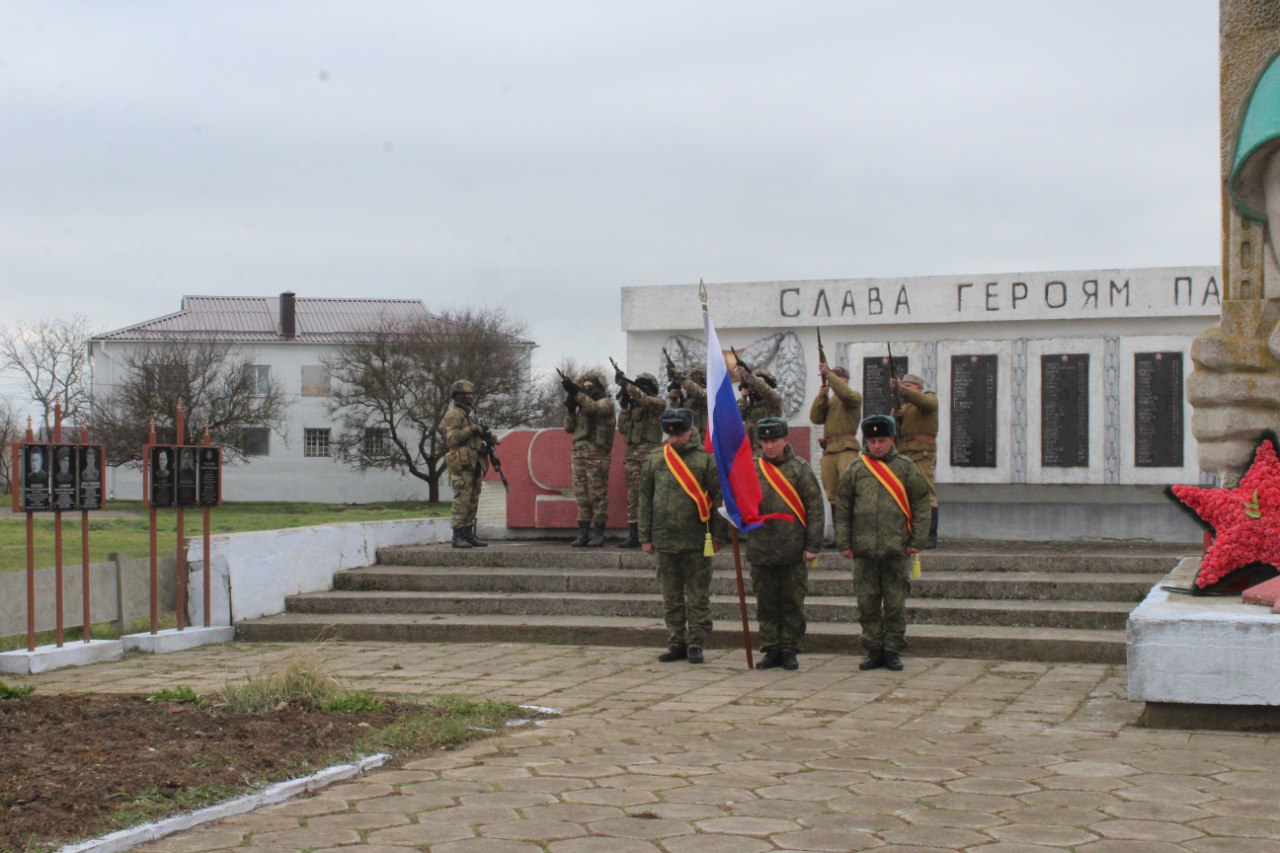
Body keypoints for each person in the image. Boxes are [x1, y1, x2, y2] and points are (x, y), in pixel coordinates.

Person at [835, 414, 930, 672]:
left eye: (882, 440)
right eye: (872, 441)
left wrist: (917, 539)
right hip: (864, 549)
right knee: (867, 604)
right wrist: (844, 542)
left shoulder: (906, 468)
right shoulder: (856, 469)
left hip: (896, 548)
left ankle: (892, 650)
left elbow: (921, 504)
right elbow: (843, 507)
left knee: (895, 604)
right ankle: (873, 649)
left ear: (891, 440)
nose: (877, 446)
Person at [638, 408, 727, 664]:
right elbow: (644, 498)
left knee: (698, 596)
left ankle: (696, 643)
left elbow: (719, 500)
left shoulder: (706, 460)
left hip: (697, 540)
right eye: (671, 435)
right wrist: (645, 536)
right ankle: (676, 640)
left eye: (679, 434)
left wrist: (718, 536)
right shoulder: (656, 459)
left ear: (690, 431)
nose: (674, 439)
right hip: (664, 539)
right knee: (671, 596)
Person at [746, 418, 824, 671]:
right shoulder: (752, 469)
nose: (769, 446)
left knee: (792, 602)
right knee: (766, 604)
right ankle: (771, 648)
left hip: (792, 548)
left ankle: (790, 648)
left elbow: (815, 508)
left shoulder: (799, 469)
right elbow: (741, 501)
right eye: (765, 441)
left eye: (774, 441)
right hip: (761, 548)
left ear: (784, 440)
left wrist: (812, 545)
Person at [809, 363, 863, 546]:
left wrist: (829, 375)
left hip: (846, 449)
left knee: (847, 491)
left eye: (836, 379)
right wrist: (821, 396)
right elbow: (815, 418)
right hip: (830, 449)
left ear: (844, 380)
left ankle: (850, 536)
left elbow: (846, 395)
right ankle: (839, 536)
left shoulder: (853, 396)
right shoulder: (830, 400)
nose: (832, 382)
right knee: (831, 493)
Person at [563, 369, 616, 547]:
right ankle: (583, 534)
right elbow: (568, 428)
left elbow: (594, 408)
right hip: (578, 456)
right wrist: (571, 408)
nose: (586, 389)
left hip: (597, 457)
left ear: (599, 386)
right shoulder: (582, 407)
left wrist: (576, 392)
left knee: (597, 495)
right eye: (583, 386)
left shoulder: (606, 403)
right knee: (582, 496)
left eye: (590, 386)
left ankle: (599, 534)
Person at [890, 372, 940, 548]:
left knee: (925, 493)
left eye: (908, 387)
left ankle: (929, 535)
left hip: (922, 454)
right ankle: (908, 532)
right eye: (903, 386)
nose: (904, 390)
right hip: (904, 454)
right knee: (905, 494)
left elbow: (927, 403)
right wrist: (895, 415)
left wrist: (901, 388)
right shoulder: (903, 407)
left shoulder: (929, 398)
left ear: (918, 388)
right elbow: (893, 430)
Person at [616, 371, 665, 549]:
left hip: (650, 458)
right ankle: (634, 535)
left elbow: (646, 401)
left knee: (652, 496)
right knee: (633, 498)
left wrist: (631, 387)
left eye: (643, 386)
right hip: (632, 458)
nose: (639, 389)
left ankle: (653, 534)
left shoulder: (658, 403)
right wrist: (624, 407)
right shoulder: (633, 408)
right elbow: (622, 429)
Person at [442, 379, 490, 549]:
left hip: (474, 462)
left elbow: (477, 437)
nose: (471, 397)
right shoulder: (454, 414)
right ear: (458, 396)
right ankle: (458, 536)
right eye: (468, 394)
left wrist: (487, 435)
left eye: (472, 394)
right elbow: (452, 439)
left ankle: (468, 535)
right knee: (462, 499)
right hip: (462, 465)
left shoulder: (471, 414)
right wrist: (472, 429)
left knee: (473, 499)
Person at [734, 365, 783, 453]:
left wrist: (748, 375)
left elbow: (763, 389)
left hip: (768, 452)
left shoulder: (773, 401)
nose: (755, 386)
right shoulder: (749, 404)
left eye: (759, 382)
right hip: (749, 452)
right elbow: (736, 419)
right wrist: (744, 398)